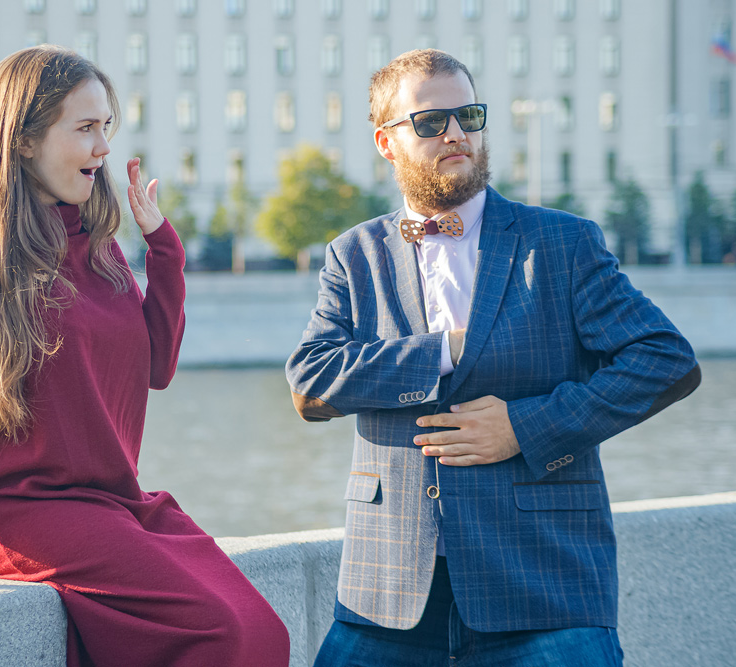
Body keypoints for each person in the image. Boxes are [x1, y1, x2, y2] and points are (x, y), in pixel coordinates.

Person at [286, 49, 701, 666]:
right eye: (431, 121)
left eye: (469, 116)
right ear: (386, 142)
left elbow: (666, 359)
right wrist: (443, 351)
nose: (456, 133)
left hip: (545, 585)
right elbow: (310, 384)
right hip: (389, 592)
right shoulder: (354, 253)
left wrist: (523, 427)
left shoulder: (562, 241)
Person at [0, 45, 289, 667]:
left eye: (107, 127)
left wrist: (163, 250)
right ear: (22, 140)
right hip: (25, 514)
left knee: (263, 630)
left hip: (116, 504)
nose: (103, 148)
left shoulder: (98, 245)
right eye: (85, 128)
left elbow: (157, 369)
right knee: (221, 633)